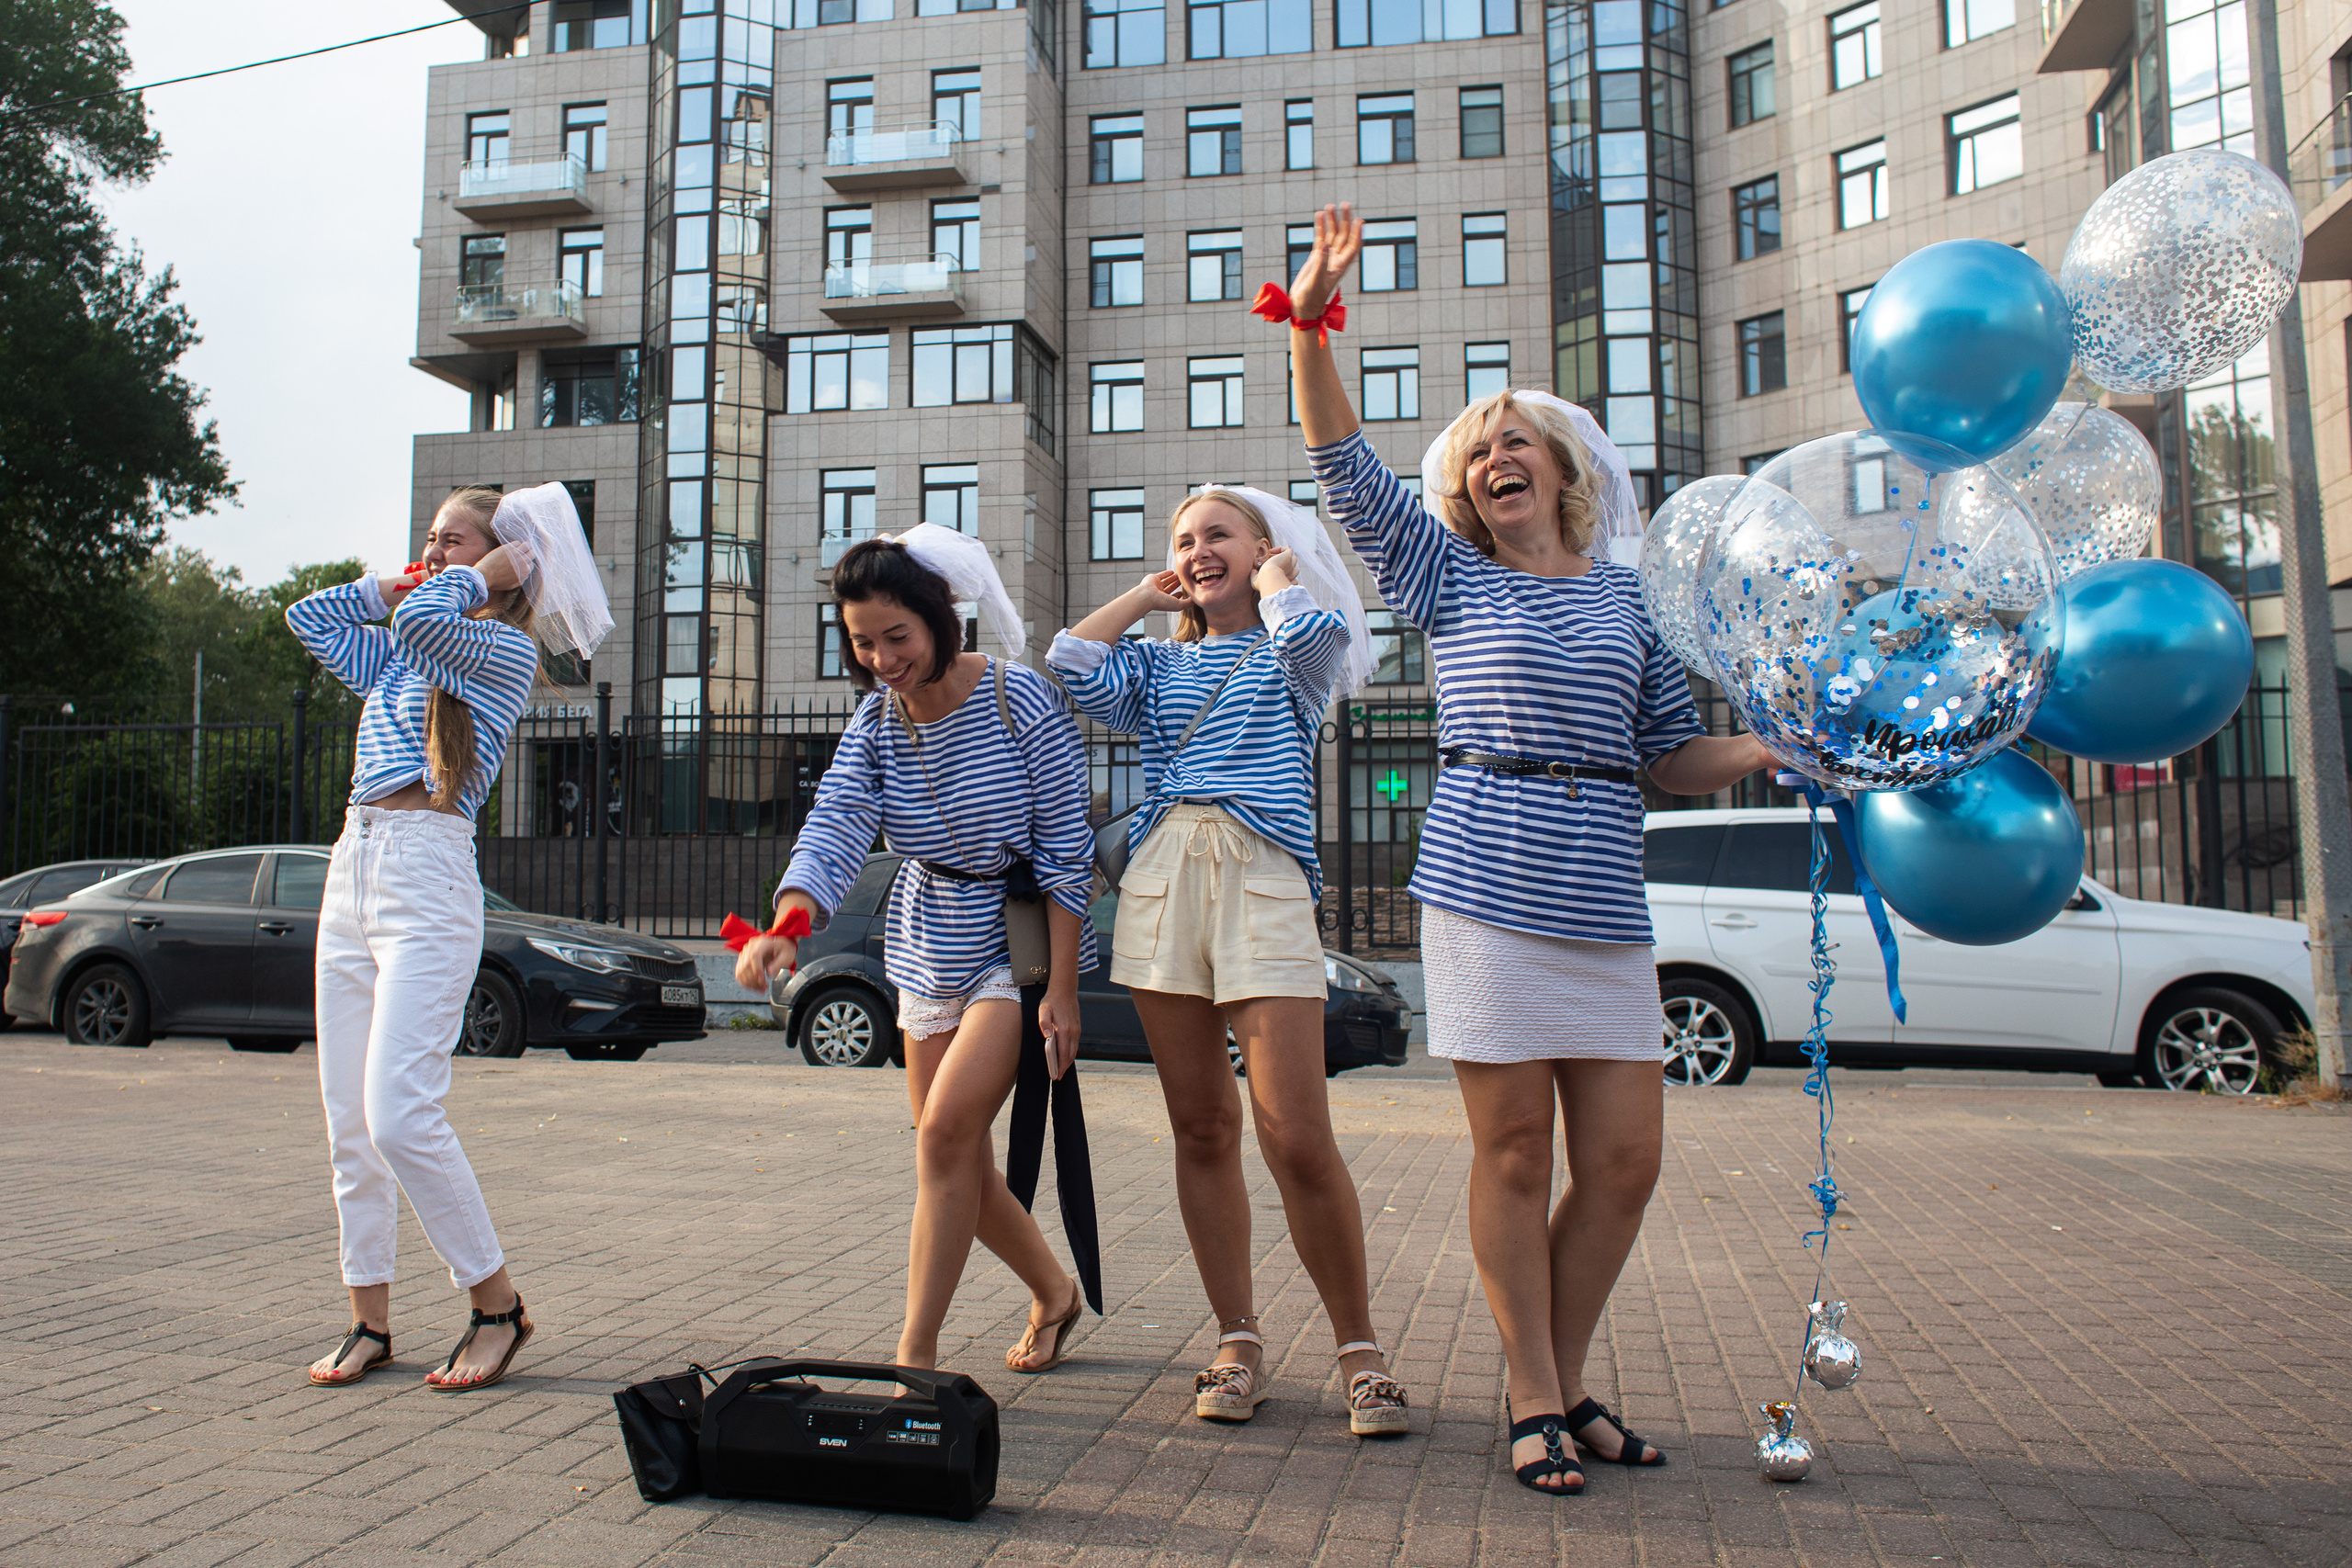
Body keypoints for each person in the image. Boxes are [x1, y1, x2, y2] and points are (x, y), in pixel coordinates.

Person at [1280, 204, 1772, 1491]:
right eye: (1478, 451)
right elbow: (1343, 466)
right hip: (1486, 884)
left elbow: (1669, 754)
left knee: (1624, 1164)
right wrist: (1314, 323)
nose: (1494, 457)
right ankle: (1538, 1394)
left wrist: (1764, 746)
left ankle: (1561, 1371)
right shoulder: (1446, 575)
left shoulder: (1630, 595)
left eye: (1515, 442)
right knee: (1514, 1152)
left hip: (1604, 894)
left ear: (1560, 472)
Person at [1048, 485, 1410, 1438]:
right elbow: (1069, 661)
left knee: (1296, 1132)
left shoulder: (1294, 649)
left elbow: (1318, 643)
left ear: (1260, 547)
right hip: (1164, 881)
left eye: (1218, 535)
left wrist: (1280, 575)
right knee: (1202, 1127)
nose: (1198, 549)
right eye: (1184, 539)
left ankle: (1360, 1349)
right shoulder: (1157, 667)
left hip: (1263, 878)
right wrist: (1148, 593)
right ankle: (1236, 1339)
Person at [735, 527, 1099, 1377]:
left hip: (1014, 939)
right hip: (927, 935)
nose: (882, 658)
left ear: (939, 617)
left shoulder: (1020, 698)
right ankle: (1054, 1291)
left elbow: (1067, 851)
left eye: (896, 635)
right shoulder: (876, 720)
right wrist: (786, 925)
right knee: (952, 1155)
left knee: (942, 1137)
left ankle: (915, 1359)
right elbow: (835, 824)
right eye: (863, 642)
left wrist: (1064, 989)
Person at [284, 484, 567, 1393]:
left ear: (502, 558)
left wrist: (480, 578)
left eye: (454, 540)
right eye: (429, 539)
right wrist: (396, 580)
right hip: (353, 868)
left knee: (399, 1112)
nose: (434, 552)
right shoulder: (400, 652)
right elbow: (309, 615)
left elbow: (424, 622)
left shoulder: (501, 650)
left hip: (427, 878)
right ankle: (368, 1321)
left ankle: (497, 1306)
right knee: (348, 1123)